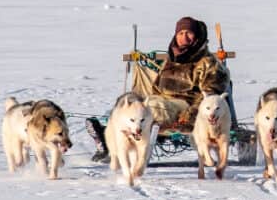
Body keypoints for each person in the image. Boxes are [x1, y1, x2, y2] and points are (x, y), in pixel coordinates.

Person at [87, 16, 233, 162]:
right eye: (180, 33)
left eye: (189, 33)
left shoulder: (208, 63)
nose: (184, 37)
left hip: (187, 108)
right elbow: (157, 88)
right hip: (164, 104)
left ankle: (112, 144)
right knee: (131, 106)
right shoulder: (172, 60)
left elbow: (211, 101)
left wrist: (190, 114)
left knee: (153, 107)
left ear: (197, 36)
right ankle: (108, 136)